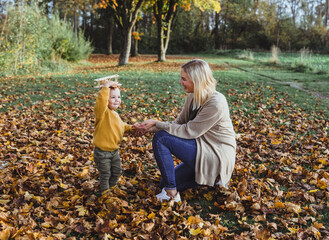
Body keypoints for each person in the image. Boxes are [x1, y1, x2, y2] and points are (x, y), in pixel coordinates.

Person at [135, 59, 236, 203]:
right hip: (201, 147)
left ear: (197, 80)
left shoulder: (216, 103)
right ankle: (206, 179)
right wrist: (148, 128)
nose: (180, 82)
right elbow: (177, 125)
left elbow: (189, 131)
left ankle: (172, 194)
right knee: (164, 182)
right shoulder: (193, 97)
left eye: (184, 79)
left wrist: (157, 124)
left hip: (215, 153)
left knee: (161, 138)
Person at [93, 80, 133, 196]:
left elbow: (122, 126)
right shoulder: (102, 113)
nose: (117, 100)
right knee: (105, 173)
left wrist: (132, 128)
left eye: (119, 97)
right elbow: (101, 102)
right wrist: (105, 88)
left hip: (114, 152)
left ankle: (112, 187)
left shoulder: (115, 114)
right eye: (113, 97)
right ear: (106, 99)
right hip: (102, 152)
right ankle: (104, 192)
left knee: (117, 171)